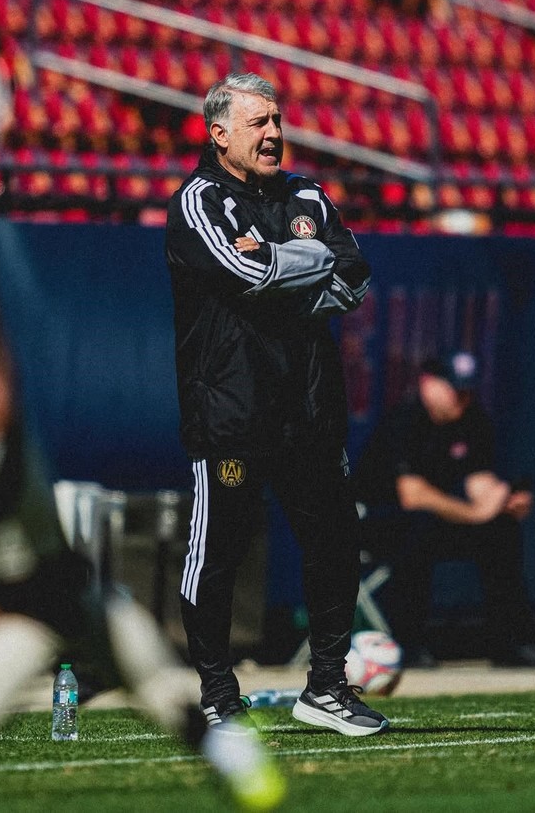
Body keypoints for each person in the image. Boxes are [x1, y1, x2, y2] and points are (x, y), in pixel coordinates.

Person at [165, 72, 388, 737]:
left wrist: (288, 262)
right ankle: (216, 694)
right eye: (258, 122)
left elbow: (355, 275)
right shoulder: (201, 200)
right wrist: (309, 260)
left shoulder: (306, 193)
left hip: (308, 407)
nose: (273, 134)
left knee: (335, 540)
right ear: (220, 132)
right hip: (232, 410)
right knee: (220, 550)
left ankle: (325, 686)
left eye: (278, 120)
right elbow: (247, 273)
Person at [0, 307, 285, 811]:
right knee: (155, 680)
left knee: (158, 683)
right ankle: (230, 751)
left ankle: (231, 752)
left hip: (44, 599)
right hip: (54, 601)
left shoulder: (7, 447)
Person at [354, 350, 535, 669]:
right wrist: (476, 514)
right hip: (375, 525)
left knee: (500, 530)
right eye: (455, 389)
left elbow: (480, 484)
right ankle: (409, 644)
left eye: (467, 390)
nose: (462, 398)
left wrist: (502, 500)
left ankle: (511, 644)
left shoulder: (472, 419)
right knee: (418, 528)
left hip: (434, 522)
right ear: (428, 384)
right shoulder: (404, 419)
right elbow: (413, 496)